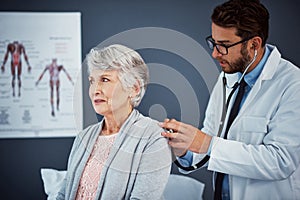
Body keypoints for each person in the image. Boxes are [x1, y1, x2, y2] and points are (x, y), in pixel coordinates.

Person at [160, 0, 300, 199]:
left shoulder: (293, 84)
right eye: (214, 43)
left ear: (254, 44)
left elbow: (281, 161)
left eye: (224, 46)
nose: (215, 53)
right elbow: (212, 140)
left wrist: (207, 143)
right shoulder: (228, 77)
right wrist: (185, 150)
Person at [57, 44, 172, 199]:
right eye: (92, 81)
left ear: (134, 88)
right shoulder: (84, 137)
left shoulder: (154, 136)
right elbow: (64, 194)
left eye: (105, 79)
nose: (95, 89)